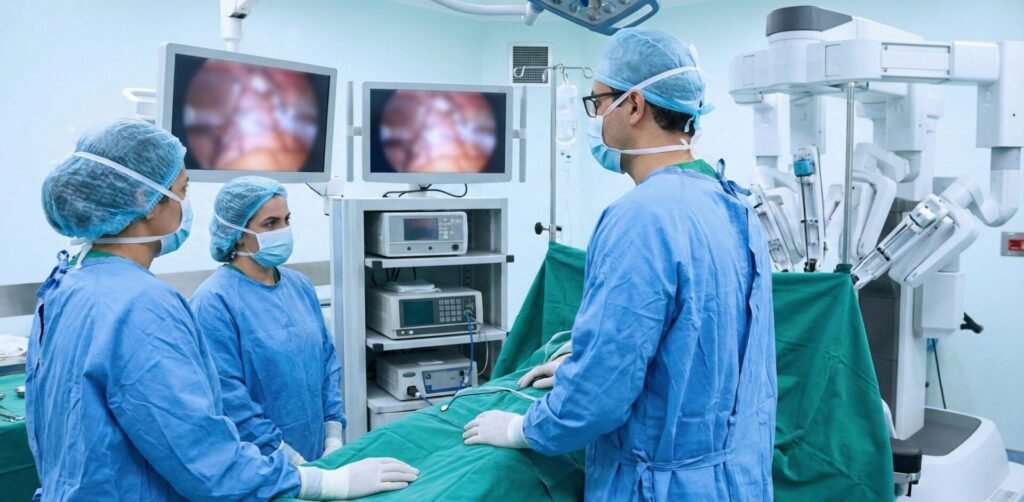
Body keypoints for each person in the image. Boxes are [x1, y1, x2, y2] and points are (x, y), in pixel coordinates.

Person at [27, 119, 417, 501]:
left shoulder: (67, 285)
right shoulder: (143, 305)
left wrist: (331, 437)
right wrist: (322, 483)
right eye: (182, 190)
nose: (186, 204)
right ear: (144, 201)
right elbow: (202, 454)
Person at [462, 28, 777, 501]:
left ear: (633, 106)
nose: (596, 119)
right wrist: (582, 365)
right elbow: (700, 351)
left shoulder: (641, 217)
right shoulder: (735, 205)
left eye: (598, 102)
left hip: (660, 486)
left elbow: (600, 395)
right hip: (738, 478)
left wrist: (522, 428)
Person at [190, 176, 343, 466]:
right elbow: (228, 396)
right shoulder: (214, 301)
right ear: (237, 233)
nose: (283, 231)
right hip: (259, 463)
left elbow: (327, 364)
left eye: (287, 220)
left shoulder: (300, 286)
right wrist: (286, 457)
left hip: (317, 450)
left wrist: (333, 434)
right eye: (271, 224)